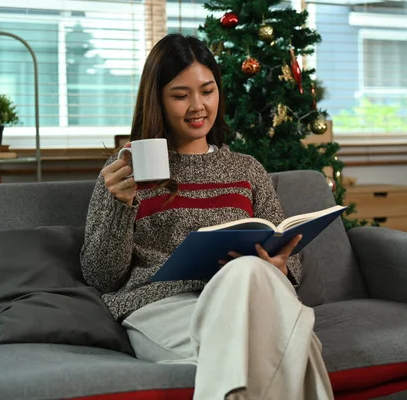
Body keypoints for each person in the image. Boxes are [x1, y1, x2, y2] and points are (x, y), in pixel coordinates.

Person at [80, 34, 334, 400]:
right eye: (181, 95)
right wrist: (120, 205)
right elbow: (101, 276)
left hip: (247, 295)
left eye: (208, 91)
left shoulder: (247, 169)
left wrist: (279, 266)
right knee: (292, 343)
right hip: (161, 307)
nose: (198, 106)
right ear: (158, 100)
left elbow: (286, 255)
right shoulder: (124, 171)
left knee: (249, 274)